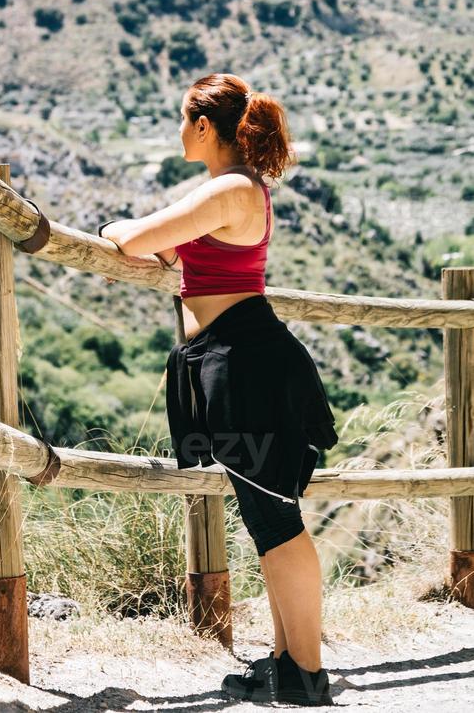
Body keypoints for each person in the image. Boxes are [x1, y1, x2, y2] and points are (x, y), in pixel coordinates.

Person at [98, 73, 337, 706]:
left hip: (246, 365)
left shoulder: (231, 189)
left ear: (205, 127)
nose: (178, 131)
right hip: (232, 359)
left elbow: (136, 237)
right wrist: (156, 248)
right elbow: (178, 258)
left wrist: (117, 230)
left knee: (276, 520)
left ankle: (307, 675)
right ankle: (288, 663)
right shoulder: (226, 193)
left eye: (184, 119)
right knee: (267, 519)